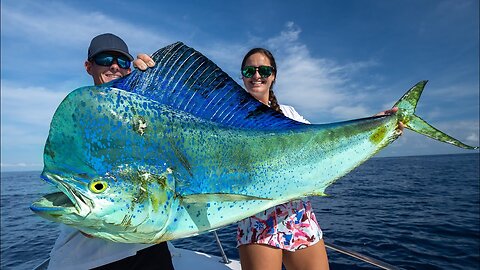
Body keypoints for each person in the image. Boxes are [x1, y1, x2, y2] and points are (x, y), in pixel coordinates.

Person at [236, 48, 403, 270]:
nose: (257, 75)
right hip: (257, 216)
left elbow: (326, 141)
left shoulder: (289, 114)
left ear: (273, 75)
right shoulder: (231, 119)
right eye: (250, 70)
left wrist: (375, 125)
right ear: (242, 76)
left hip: (297, 213)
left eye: (264, 70)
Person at [47, 33, 174, 270]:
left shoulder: (143, 111)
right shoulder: (78, 115)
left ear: (128, 69)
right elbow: (88, 226)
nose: (114, 66)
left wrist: (155, 85)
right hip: (93, 258)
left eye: (122, 62)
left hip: (149, 244)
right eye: (105, 59)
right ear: (89, 66)